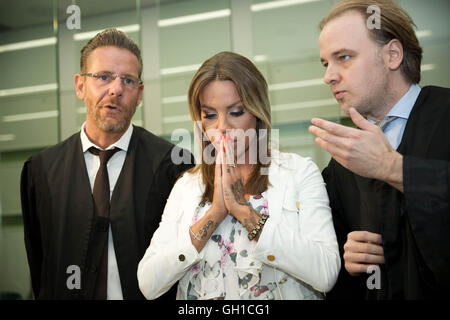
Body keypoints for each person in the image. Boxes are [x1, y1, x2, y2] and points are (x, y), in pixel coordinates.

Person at [137, 51, 340, 300]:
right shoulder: (187, 185)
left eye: (235, 112)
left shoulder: (299, 173)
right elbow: (148, 283)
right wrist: (213, 215)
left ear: (257, 113)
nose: (221, 126)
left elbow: (325, 273)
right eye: (209, 115)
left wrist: (245, 212)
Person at [20, 29, 193, 300]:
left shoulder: (175, 167)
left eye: (128, 80)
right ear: (80, 86)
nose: (116, 89)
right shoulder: (41, 171)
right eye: (103, 77)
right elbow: (41, 267)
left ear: (139, 94)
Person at [309, 0, 450, 299]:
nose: (328, 76)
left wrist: (391, 167)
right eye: (325, 63)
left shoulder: (445, 114)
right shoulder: (344, 162)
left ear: (392, 55)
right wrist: (346, 260)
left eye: (343, 57)